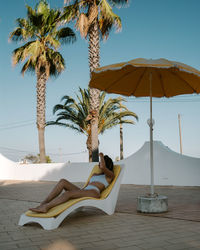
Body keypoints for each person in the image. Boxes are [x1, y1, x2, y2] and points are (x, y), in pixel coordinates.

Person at [29, 152, 114, 213]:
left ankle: (46, 207)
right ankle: (43, 203)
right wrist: (79, 192)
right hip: (85, 191)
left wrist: (101, 155)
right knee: (63, 181)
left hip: (94, 192)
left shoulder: (109, 176)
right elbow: (87, 185)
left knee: (68, 194)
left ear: (106, 164)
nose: (99, 165)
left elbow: (103, 167)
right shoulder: (95, 174)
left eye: (100, 163)